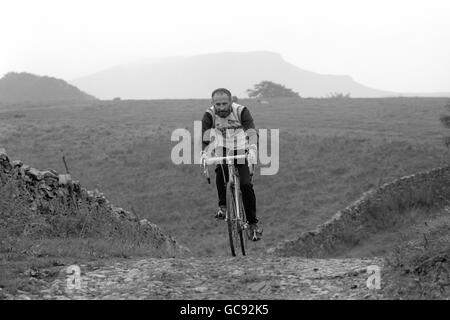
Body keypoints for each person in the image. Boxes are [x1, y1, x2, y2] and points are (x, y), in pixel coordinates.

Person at [200, 88, 263, 241]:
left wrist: (253, 148)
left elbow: (252, 132)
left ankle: (252, 224)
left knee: (246, 185)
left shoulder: (241, 111)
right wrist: (205, 153)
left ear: (231, 101)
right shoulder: (209, 115)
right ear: (212, 103)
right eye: (218, 104)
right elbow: (206, 138)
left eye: (224, 103)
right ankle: (223, 206)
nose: (221, 107)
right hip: (222, 148)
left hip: (242, 147)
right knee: (221, 172)